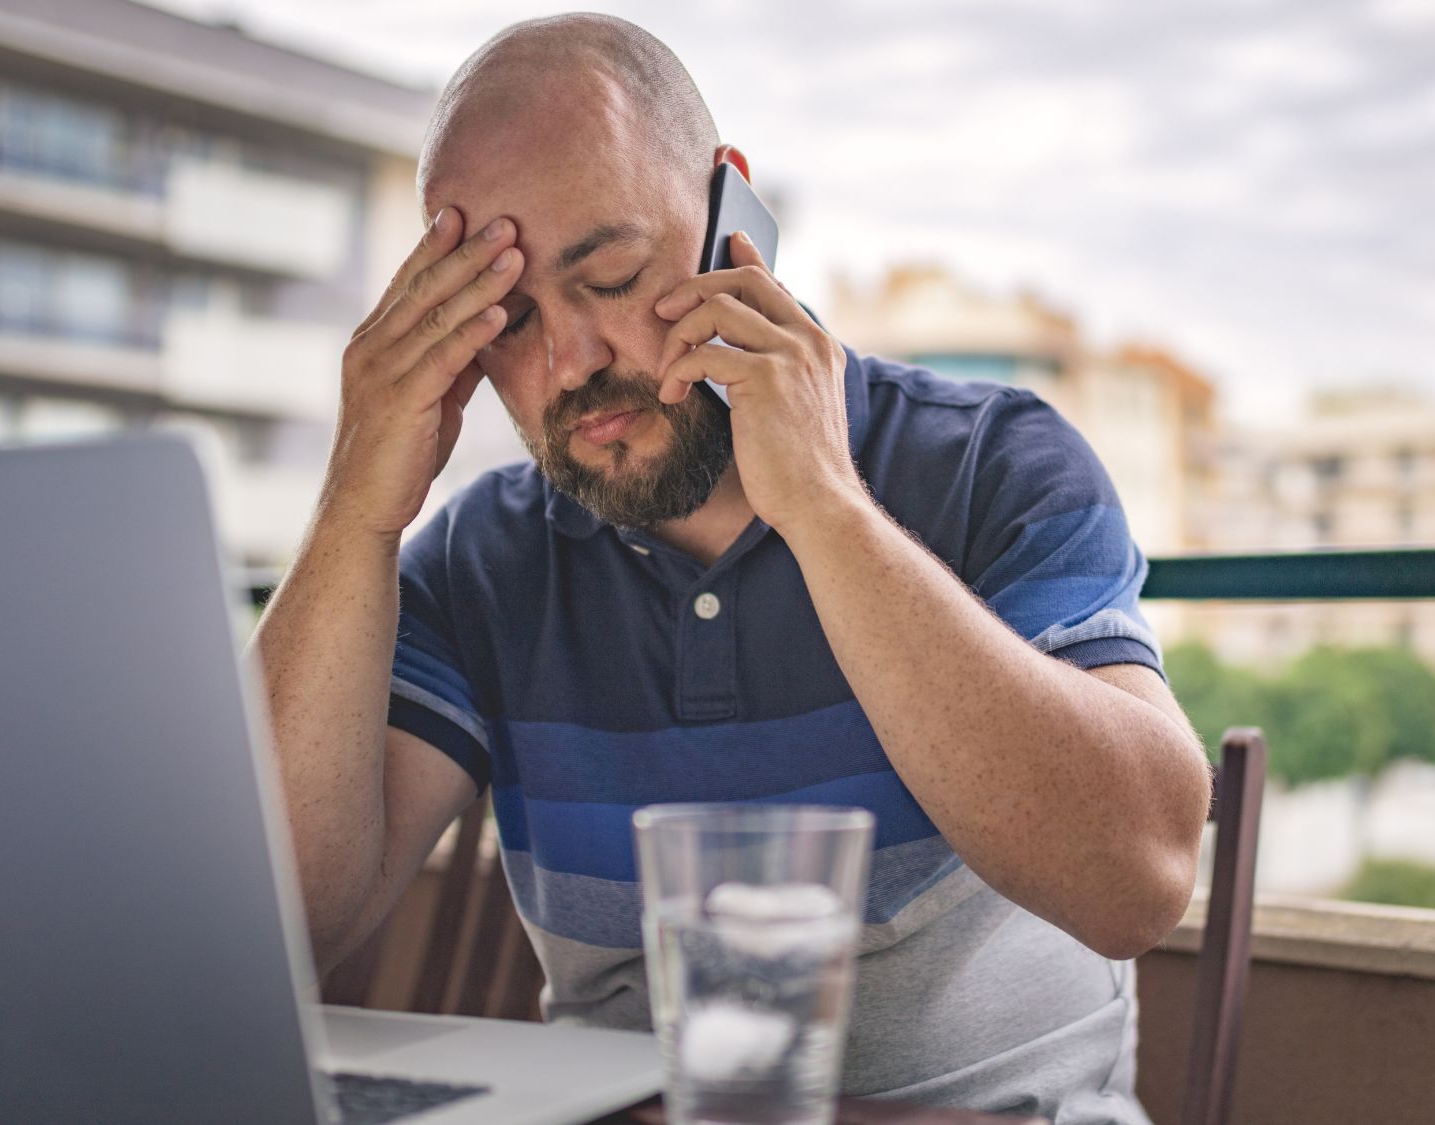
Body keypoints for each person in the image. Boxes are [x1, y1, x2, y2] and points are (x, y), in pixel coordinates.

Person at [249, 12, 1211, 1123]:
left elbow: (1134, 885)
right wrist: (354, 515)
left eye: (608, 275)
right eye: (502, 320)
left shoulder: (996, 461)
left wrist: (822, 507)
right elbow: (269, 925)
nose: (569, 364)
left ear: (726, 214)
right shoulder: (483, 557)